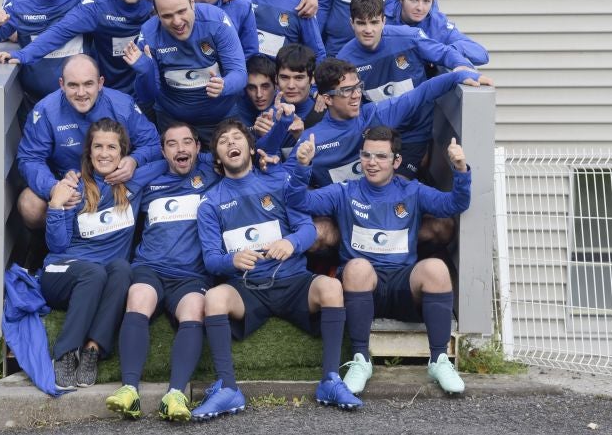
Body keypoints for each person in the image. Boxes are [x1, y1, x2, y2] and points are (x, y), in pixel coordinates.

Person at [192, 119, 362, 420]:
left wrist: (291, 243)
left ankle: (330, 381)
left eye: (237, 138)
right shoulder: (210, 202)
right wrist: (231, 261)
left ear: (250, 146)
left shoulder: (279, 182)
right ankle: (228, 389)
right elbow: (210, 259)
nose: (232, 143)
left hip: (293, 280)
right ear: (217, 157)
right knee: (214, 298)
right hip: (248, 288)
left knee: (332, 287)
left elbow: (307, 230)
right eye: (223, 141)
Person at [286, 126, 471, 395]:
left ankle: (439, 360)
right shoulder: (344, 192)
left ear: (396, 161)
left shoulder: (413, 191)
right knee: (358, 266)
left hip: (402, 282)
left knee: (436, 269)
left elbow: (455, 204)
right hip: (362, 286)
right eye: (366, 155)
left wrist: (460, 169)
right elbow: (299, 200)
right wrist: (302, 166)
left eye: (381, 157)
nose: (372, 163)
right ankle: (361, 360)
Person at [104, 122, 221, 421]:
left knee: (195, 309)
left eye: (187, 142)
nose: (180, 149)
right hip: (150, 268)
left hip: (191, 276)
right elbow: (120, 187)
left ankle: (175, 394)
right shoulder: (150, 179)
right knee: (138, 296)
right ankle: (129, 390)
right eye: (172, 143)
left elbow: (227, 156)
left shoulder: (211, 175)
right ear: (163, 150)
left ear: (197, 147)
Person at [41, 118, 153, 389]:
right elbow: (57, 245)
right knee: (94, 271)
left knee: (123, 269)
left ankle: (93, 349)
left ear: (121, 153)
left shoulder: (133, 183)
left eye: (112, 148)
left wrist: (135, 162)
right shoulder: (75, 187)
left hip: (100, 279)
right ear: (89, 153)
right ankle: (66, 353)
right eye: (98, 147)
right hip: (62, 272)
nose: (104, 153)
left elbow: (164, 159)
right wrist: (56, 205)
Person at [284, 57, 490, 188]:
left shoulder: (375, 114)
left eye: (358, 87)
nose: (356, 95)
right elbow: (286, 179)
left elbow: (421, 93)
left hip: (380, 208)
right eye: (347, 91)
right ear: (327, 98)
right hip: (339, 214)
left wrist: (461, 75)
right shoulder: (312, 139)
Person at [13, 54, 161, 231]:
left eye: (88, 84)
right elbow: (30, 158)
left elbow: (153, 144)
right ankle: (54, 247)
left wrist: (134, 160)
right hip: (71, 189)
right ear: (61, 84)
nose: (81, 93)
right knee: (29, 204)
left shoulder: (122, 105)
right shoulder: (45, 111)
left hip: (115, 184)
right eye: (73, 85)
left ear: (100, 83)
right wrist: (54, 188)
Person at [337, 0, 476, 178]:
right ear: (351, 23)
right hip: (379, 137)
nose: (368, 29)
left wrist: (465, 68)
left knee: (396, 184)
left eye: (374, 22)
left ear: (384, 21)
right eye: (361, 23)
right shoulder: (345, 59)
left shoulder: (408, 38)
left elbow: (443, 52)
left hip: (415, 134)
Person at [0, 0, 153, 98]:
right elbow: (61, 30)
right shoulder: (98, 3)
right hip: (107, 89)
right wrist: (23, 54)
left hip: (146, 88)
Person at [122, 0, 247, 145]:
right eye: (167, 16)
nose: (177, 22)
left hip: (222, 119)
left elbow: (240, 74)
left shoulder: (216, 21)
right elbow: (147, 96)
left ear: (192, 3)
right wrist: (146, 71)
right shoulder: (149, 33)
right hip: (173, 122)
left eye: (182, 11)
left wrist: (224, 85)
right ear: (157, 14)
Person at [384, 0, 489, 66]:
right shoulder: (379, 19)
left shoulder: (438, 24)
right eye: (414, 0)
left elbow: (481, 55)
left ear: (432, 1)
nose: (420, 8)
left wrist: (446, 51)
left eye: (426, 1)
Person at [238, 54, 277, 132]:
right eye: (252, 88)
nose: (259, 94)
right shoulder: (238, 109)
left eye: (265, 86)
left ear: (276, 85)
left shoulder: (288, 105)